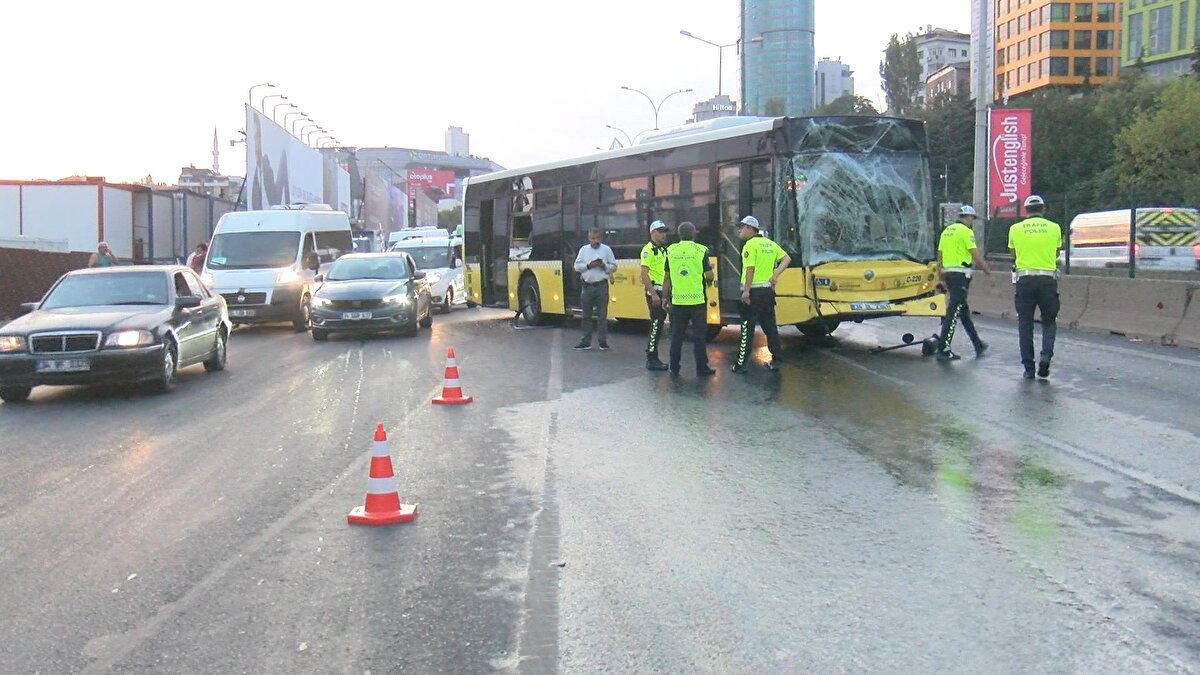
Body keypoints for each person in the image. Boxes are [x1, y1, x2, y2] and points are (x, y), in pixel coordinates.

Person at [1008, 194, 1063, 379]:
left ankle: (1028, 368)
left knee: (1025, 324)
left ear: (1026, 211)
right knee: (1049, 321)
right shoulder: (1054, 227)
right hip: (1047, 280)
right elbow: (1056, 253)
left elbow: (1014, 253)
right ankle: (1045, 357)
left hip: (1024, 280)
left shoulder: (1015, 229)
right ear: (1043, 209)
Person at [733, 215, 790, 373]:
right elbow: (786, 258)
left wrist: (746, 291)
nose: (739, 230)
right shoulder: (770, 244)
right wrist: (775, 275)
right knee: (770, 327)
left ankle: (740, 364)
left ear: (750, 229)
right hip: (767, 292)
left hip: (753, 292)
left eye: (742, 227)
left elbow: (749, 269)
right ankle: (777, 359)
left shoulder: (750, 245)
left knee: (747, 329)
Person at [935, 205, 993, 361]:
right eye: (972, 219)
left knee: (963, 312)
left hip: (948, 275)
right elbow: (975, 254)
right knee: (953, 312)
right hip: (960, 276)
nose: (972, 222)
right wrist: (988, 272)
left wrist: (940, 278)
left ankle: (977, 344)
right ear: (969, 217)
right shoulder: (966, 232)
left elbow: (939, 256)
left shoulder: (947, 231)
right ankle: (943, 348)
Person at [662, 222, 715, 376]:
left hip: (677, 301)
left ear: (679, 235)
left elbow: (667, 278)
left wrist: (665, 297)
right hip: (697, 301)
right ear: (694, 234)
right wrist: (708, 281)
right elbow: (709, 275)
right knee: (699, 337)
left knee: (676, 336)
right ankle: (702, 368)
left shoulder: (671, 251)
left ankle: (674, 367)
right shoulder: (701, 250)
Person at [572, 227, 617, 351]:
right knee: (586, 315)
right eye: (593, 238)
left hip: (601, 285)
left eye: (597, 238)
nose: (595, 241)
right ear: (589, 238)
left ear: (601, 238)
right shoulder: (584, 250)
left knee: (602, 316)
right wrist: (588, 266)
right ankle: (585, 341)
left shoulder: (606, 250)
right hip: (587, 286)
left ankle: (602, 342)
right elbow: (576, 266)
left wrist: (604, 266)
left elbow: (614, 267)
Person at [640, 220, 670, 370]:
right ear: (652, 233)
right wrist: (653, 295)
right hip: (655, 292)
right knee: (656, 325)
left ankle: (653, 357)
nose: (664, 235)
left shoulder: (664, 249)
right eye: (660, 231)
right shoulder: (648, 250)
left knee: (659, 325)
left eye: (665, 232)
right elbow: (644, 274)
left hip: (663, 291)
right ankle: (651, 358)